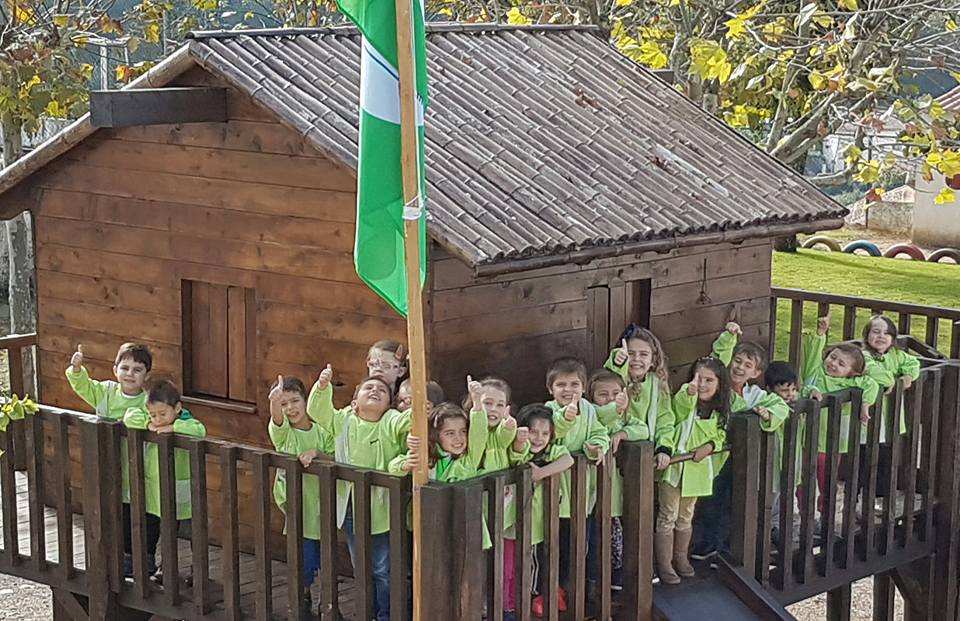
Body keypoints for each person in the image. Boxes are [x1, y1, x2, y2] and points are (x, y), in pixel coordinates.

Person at [307, 365, 410, 621]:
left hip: (384, 508)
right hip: (352, 506)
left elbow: (407, 421)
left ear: (389, 404)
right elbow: (318, 412)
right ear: (355, 401)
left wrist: (417, 401)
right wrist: (322, 387)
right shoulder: (344, 420)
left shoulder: (389, 421)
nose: (375, 390)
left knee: (384, 569)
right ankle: (369, 613)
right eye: (368, 387)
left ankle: (389, 615)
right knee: (362, 566)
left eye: (382, 390)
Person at [692, 322, 789, 559]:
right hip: (719, 455)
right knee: (711, 501)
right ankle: (706, 545)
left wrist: (769, 414)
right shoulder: (721, 389)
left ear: (756, 374)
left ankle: (726, 547)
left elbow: (781, 405)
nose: (740, 367)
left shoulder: (755, 395)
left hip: (743, 458)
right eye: (737, 361)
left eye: (748, 365)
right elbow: (718, 357)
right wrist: (728, 337)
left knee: (734, 502)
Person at [602, 325, 675, 587]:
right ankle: (618, 572)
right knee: (617, 516)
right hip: (616, 462)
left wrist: (665, 447)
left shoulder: (658, 387)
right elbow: (611, 377)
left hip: (646, 464)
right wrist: (617, 361)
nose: (637, 359)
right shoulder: (616, 381)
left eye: (644, 354)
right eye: (631, 353)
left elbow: (666, 420)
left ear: (654, 359)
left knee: (646, 515)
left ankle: (642, 568)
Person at [67, 342, 152, 562]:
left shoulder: (149, 401)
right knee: (114, 510)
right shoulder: (105, 391)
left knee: (142, 512)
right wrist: (77, 370)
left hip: (139, 465)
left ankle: (145, 557)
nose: (130, 374)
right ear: (115, 370)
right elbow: (84, 386)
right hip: (108, 463)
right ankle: (119, 556)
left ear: (147, 375)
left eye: (137, 369)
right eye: (125, 368)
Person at [122, 377, 206, 580]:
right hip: (155, 487)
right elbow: (129, 416)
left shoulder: (186, 420)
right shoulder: (149, 419)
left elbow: (200, 430)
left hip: (179, 486)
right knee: (160, 527)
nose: (158, 419)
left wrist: (173, 428)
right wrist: (147, 422)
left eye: (162, 414)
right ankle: (164, 567)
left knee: (187, 528)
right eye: (153, 414)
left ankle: (199, 570)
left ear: (177, 408)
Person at [655, 357, 730, 584]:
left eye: (709, 380)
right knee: (667, 515)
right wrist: (689, 393)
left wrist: (710, 446)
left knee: (686, 516)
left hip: (696, 473)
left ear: (719, 384)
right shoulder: (685, 402)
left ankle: (681, 558)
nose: (703, 384)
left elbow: (720, 435)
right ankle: (665, 564)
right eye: (699, 378)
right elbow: (678, 408)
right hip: (675, 471)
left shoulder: (718, 413)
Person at [799, 314, 880, 515]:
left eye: (841, 364)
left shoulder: (850, 384)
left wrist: (865, 404)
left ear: (851, 373)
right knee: (803, 482)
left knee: (827, 482)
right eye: (832, 357)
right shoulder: (816, 373)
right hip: (805, 440)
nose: (833, 364)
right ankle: (804, 517)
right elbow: (811, 354)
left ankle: (825, 516)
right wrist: (820, 334)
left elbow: (871, 383)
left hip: (830, 444)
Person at [267, 374, 334, 611]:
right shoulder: (284, 434)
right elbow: (276, 422)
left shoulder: (323, 431)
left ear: (305, 400)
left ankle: (327, 605)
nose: (290, 408)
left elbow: (335, 457)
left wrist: (317, 453)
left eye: (294, 401)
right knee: (303, 562)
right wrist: (274, 403)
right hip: (298, 511)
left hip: (324, 508)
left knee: (327, 560)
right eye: (284, 404)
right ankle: (301, 601)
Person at [545, 358, 610, 593]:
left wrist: (595, 447)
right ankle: (555, 589)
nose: (568, 390)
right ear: (550, 389)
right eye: (561, 385)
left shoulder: (590, 410)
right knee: (556, 547)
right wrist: (567, 417)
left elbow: (600, 433)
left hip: (584, 495)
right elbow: (552, 436)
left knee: (581, 545)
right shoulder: (549, 410)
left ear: (584, 387)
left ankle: (577, 587)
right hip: (557, 495)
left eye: (574, 384)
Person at [511, 404, 574, 619]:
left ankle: (545, 594)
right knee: (526, 562)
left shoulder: (552, 450)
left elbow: (568, 460)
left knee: (544, 559)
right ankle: (531, 597)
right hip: (522, 519)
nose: (539, 438)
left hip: (544, 519)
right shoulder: (519, 449)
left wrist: (542, 473)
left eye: (545, 433)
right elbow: (516, 457)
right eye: (533, 432)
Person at [861, 315, 921, 499]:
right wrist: (893, 381)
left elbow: (914, 363)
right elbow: (871, 370)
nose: (881, 336)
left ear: (893, 339)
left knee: (886, 462)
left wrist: (909, 377)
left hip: (890, 420)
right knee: (863, 461)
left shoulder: (896, 355)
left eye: (887, 333)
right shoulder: (863, 355)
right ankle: (853, 499)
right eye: (876, 331)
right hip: (867, 420)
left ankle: (879, 499)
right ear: (867, 335)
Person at [763, 361, 801, 543]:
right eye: (785, 391)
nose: (790, 395)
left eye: (793, 390)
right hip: (773, 461)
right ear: (770, 389)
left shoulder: (793, 403)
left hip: (788, 459)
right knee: (770, 498)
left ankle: (777, 529)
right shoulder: (771, 403)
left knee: (783, 495)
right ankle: (768, 530)